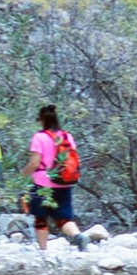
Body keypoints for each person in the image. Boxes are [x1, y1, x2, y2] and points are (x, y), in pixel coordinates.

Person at [28, 102, 83, 249]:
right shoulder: (67, 136)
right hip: (64, 181)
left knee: (41, 218)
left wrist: (23, 175)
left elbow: (35, 163)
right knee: (64, 218)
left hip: (42, 184)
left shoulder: (39, 137)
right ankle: (78, 236)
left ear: (42, 120)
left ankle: (43, 250)